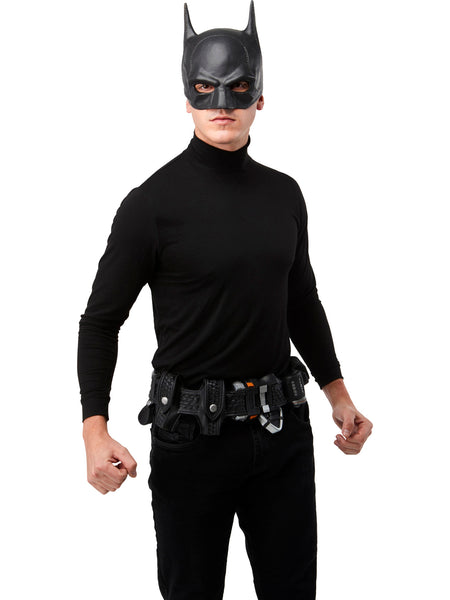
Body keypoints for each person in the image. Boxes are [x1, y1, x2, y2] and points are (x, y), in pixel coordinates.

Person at [78, 3, 373, 599]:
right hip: (191, 442)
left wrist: (338, 395)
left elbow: (301, 300)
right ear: (185, 98)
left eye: (238, 88)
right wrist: (94, 430)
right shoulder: (150, 205)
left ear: (260, 97)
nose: (221, 104)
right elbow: (101, 321)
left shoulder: (285, 194)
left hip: (283, 432)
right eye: (205, 88)